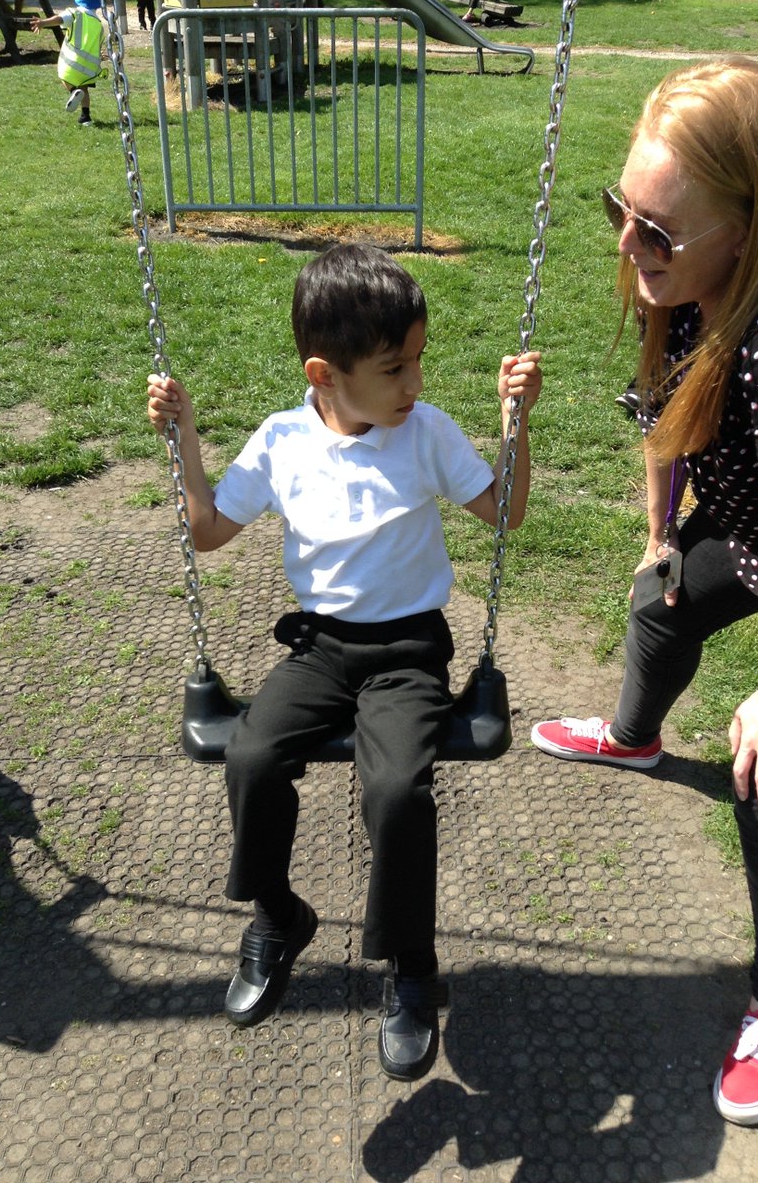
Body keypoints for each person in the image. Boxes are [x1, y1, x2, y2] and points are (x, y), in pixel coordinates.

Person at [147, 243, 542, 1081]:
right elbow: (211, 532)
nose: (416, 384)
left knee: (397, 789)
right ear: (325, 373)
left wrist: (518, 421)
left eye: (419, 361)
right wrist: (184, 440)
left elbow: (503, 513)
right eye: (396, 368)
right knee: (250, 755)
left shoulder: (425, 433)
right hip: (321, 649)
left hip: (407, 652)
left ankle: (409, 965)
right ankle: (280, 916)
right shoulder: (283, 441)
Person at [530, 57, 758, 1127]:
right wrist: (661, 531)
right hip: (754, 538)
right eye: (623, 210)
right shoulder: (692, 283)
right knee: (660, 601)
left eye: (657, 231)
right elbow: (665, 412)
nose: (628, 245)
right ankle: (634, 735)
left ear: (747, 231)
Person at [30, 0, 105, 128]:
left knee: (64, 77)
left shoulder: (75, 13)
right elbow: (98, 46)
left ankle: (73, 91)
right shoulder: (99, 24)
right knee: (84, 88)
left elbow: (59, 19)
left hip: (71, 62)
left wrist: (43, 23)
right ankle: (86, 116)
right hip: (89, 68)